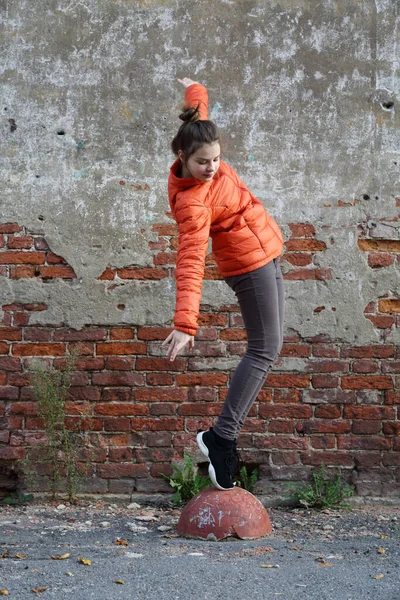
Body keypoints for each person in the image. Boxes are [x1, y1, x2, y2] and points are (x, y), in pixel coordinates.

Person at [162, 77, 285, 491]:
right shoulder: (193, 203)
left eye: (215, 160)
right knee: (264, 350)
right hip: (247, 265)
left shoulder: (199, 138)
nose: (211, 168)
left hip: (264, 251)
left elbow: (199, 113)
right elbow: (191, 261)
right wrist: (185, 323)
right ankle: (221, 438)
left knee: (271, 346)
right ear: (183, 157)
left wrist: (194, 87)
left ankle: (222, 436)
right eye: (203, 163)